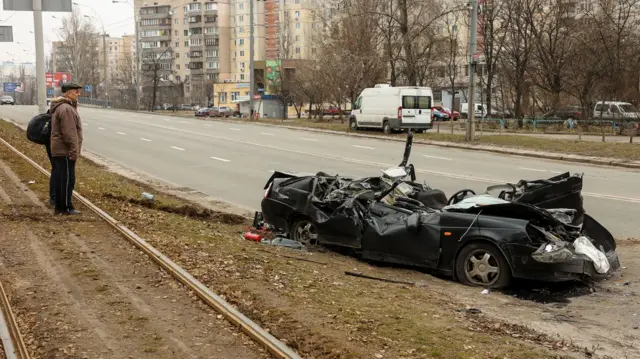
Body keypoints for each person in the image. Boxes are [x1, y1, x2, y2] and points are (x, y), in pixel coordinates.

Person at [49, 82, 83, 215]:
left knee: (61, 178)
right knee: (67, 179)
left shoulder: (63, 107)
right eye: (76, 92)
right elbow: (69, 133)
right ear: (68, 93)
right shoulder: (66, 109)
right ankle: (65, 207)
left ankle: (60, 206)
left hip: (61, 150)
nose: (78, 94)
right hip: (65, 151)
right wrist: (74, 151)